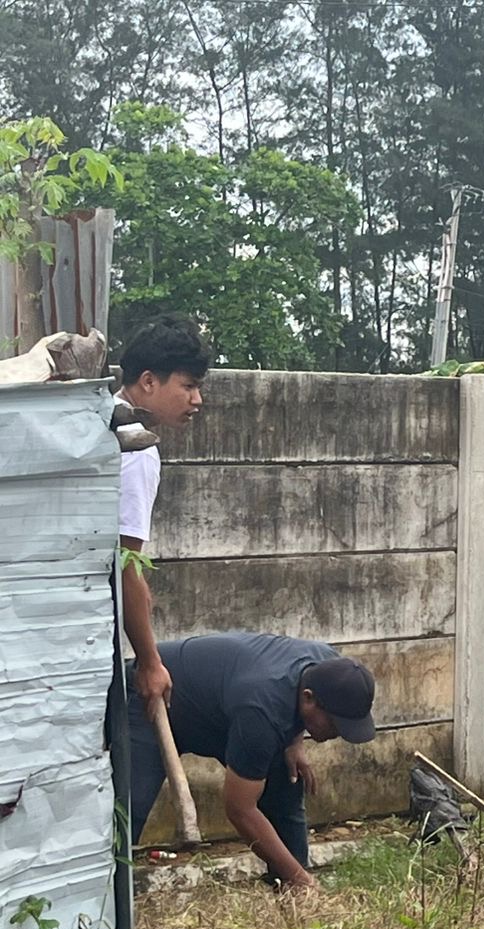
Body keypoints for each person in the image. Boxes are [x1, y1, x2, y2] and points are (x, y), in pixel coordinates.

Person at [127, 633, 377, 889]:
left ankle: (294, 894)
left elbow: (296, 690)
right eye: (336, 724)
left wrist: (295, 740)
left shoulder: (328, 664)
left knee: (285, 787)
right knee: (129, 807)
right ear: (309, 699)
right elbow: (239, 809)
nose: (339, 734)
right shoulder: (262, 711)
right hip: (150, 693)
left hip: (221, 707)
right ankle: (107, 899)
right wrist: (302, 880)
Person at [116, 315, 211, 711]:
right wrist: (151, 662)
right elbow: (124, 562)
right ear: (149, 381)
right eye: (187, 386)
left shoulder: (94, 417)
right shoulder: (136, 448)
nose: (197, 400)